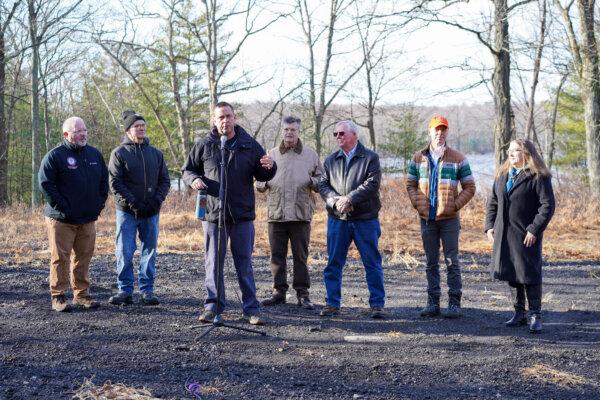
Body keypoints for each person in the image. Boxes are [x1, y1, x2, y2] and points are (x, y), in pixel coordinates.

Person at [182, 101, 276, 326]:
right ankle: (213, 307)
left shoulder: (249, 144)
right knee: (213, 262)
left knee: (244, 263)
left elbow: (263, 174)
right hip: (214, 215)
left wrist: (270, 166)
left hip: (242, 215)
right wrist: (194, 179)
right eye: (220, 117)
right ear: (214, 120)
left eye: (228, 116)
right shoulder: (204, 145)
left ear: (235, 118)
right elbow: (188, 170)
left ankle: (251, 309)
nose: (225, 121)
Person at [406, 115, 476, 319]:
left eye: (443, 129)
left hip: (449, 220)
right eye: (436, 129)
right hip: (427, 219)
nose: (440, 133)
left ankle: (454, 303)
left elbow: (470, 187)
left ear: (447, 132)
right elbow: (410, 184)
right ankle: (432, 302)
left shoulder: (458, 158)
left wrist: (454, 205)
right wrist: (419, 204)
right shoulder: (418, 158)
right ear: (429, 131)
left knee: (451, 261)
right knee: (431, 262)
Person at [485, 139, 555, 334]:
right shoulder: (502, 175)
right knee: (512, 271)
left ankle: (535, 315)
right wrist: (489, 226)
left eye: (516, 150)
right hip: (504, 233)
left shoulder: (538, 176)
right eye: (509, 150)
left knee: (529, 272)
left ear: (527, 153)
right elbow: (493, 202)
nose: (511, 153)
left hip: (526, 234)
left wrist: (534, 229)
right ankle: (519, 313)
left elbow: (547, 205)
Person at [39, 116, 108, 312]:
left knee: (83, 257)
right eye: (77, 131)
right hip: (62, 219)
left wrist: (99, 205)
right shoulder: (55, 156)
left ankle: (82, 295)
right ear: (66, 134)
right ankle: (58, 296)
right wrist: (63, 207)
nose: (83, 134)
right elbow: (46, 185)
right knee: (60, 258)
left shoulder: (94, 155)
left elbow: (104, 181)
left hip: (87, 219)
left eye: (84, 130)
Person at [319, 120, 385, 319]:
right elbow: (323, 185)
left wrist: (350, 199)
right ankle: (332, 304)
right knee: (333, 263)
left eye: (341, 133)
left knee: (372, 262)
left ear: (354, 135)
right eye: (335, 134)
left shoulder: (370, 158)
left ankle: (377, 304)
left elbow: (372, 183)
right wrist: (334, 201)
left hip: (365, 219)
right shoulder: (330, 160)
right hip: (338, 220)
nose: (338, 137)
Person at [256, 116, 323, 310]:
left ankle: (303, 294)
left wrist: (311, 182)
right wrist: (264, 182)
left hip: (300, 214)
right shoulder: (272, 154)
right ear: (282, 131)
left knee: (300, 257)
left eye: (293, 129)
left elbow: (322, 180)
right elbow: (258, 181)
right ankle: (279, 292)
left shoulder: (310, 155)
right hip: (276, 213)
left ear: (298, 131)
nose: (289, 133)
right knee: (277, 256)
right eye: (286, 129)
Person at [107, 111, 170, 306]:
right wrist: (134, 204)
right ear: (128, 130)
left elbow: (165, 181)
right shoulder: (119, 153)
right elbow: (115, 183)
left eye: (143, 125)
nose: (141, 128)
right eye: (136, 126)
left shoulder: (156, 154)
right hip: (126, 212)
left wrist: (155, 202)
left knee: (149, 251)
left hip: (151, 212)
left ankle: (147, 291)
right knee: (124, 250)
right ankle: (124, 290)